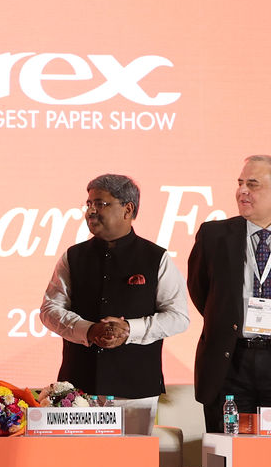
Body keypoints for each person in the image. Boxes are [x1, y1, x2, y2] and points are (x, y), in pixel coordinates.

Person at [40, 174, 189, 435]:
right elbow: (49, 310)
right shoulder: (73, 257)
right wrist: (88, 330)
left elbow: (178, 316)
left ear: (128, 209)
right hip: (78, 391)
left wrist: (130, 329)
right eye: (88, 204)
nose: (91, 211)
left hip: (136, 391)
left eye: (100, 204)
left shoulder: (157, 258)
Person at [188, 155, 271, 432]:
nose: (242, 191)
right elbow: (201, 291)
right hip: (230, 360)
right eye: (240, 183)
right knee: (229, 453)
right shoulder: (214, 235)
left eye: (253, 184)